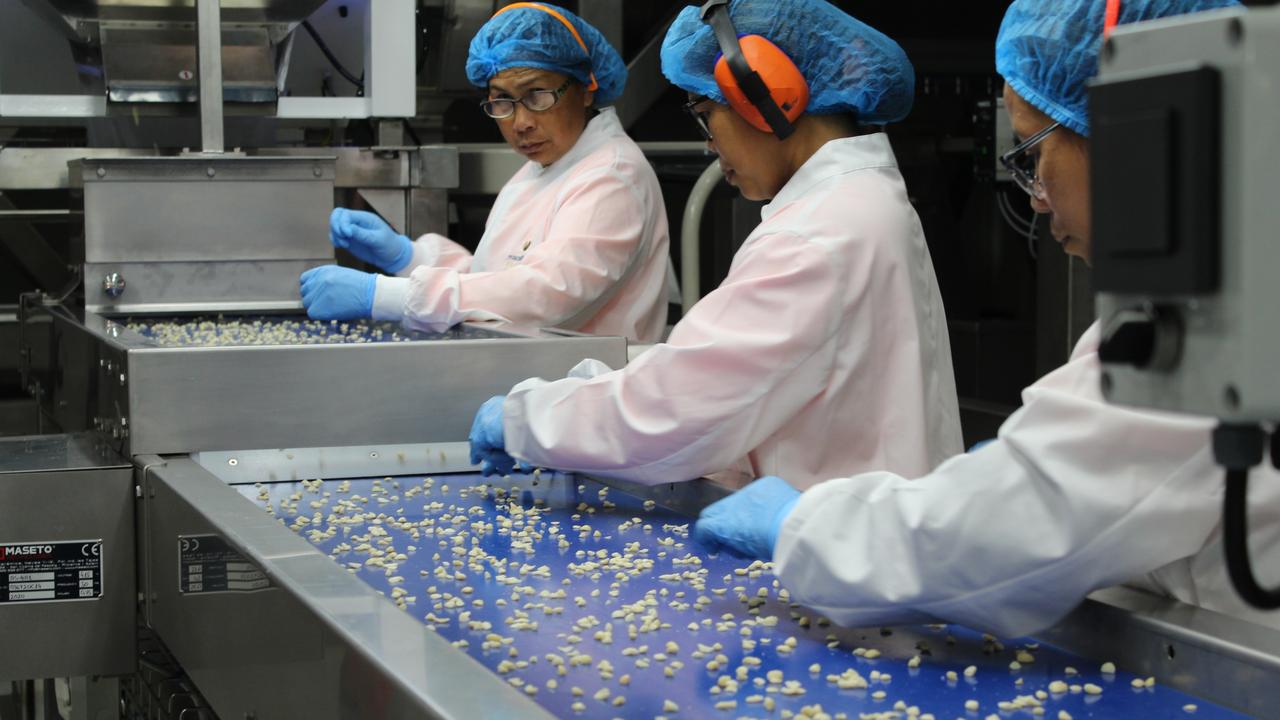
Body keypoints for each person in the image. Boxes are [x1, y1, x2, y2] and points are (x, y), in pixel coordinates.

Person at [691, 0, 1279, 638]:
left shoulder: (1213, 326)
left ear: (1133, 136)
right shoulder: (1231, 275)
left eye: (1031, 153)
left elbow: (1017, 529)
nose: (1034, 194)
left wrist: (801, 524)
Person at [469, 0, 962, 491]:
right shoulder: (854, 203)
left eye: (706, 115)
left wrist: (526, 421)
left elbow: (679, 411)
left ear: (766, 96)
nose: (709, 143)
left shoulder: (816, 236)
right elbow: (721, 366)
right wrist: (590, 387)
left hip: (838, 536)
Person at [300, 3, 671, 343]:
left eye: (537, 94)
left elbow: (546, 293)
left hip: (585, 396)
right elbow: (493, 280)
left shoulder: (612, 176)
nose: (520, 122)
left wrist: (385, 296)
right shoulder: (543, 169)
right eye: (501, 101)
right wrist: (408, 257)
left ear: (587, 87)